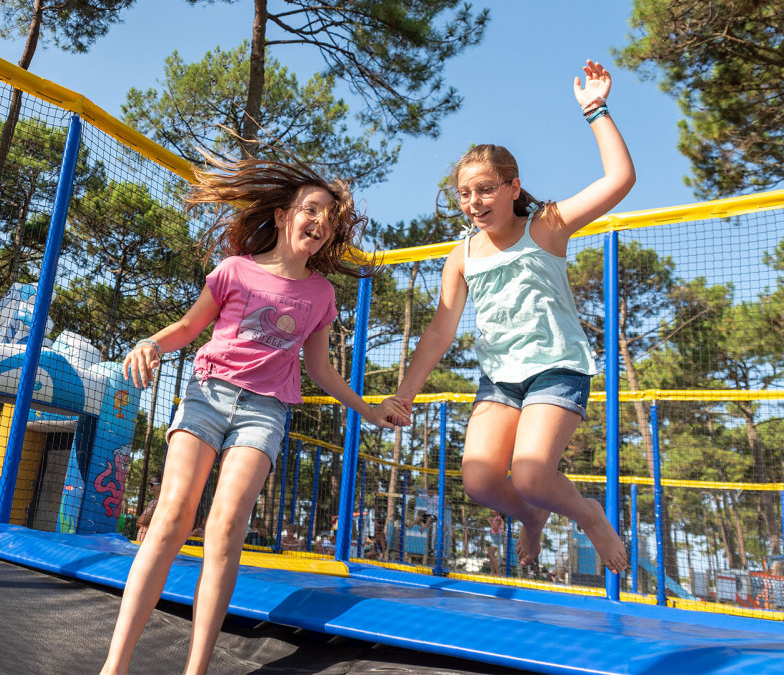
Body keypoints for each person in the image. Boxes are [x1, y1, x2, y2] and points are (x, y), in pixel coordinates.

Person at [100, 155, 405, 675]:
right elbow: (189, 327)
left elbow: (323, 371)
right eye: (312, 210)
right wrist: (150, 342)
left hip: (264, 412)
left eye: (330, 218)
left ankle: (196, 670)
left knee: (225, 528)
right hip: (207, 394)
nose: (321, 222)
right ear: (286, 215)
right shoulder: (233, 270)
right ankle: (116, 665)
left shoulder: (320, 294)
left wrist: (369, 409)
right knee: (173, 517)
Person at [389, 60, 633, 576]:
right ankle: (533, 517)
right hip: (500, 378)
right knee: (479, 482)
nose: (474, 201)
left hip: (555, 367)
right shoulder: (461, 255)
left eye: (485, 188)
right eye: (465, 193)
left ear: (512, 186)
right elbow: (440, 331)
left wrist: (596, 109)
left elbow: (620, 178)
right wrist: (405, 394)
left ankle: (588, 514)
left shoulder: (546, 226)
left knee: (531, 473)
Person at [134, 478, 160, 542]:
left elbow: (141, 522)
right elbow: (138, 523)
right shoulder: (152, 502)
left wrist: (142, 520)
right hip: (142, 540)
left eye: (151, 484)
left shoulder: (159, 502)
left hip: (149, 541)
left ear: (160, 485)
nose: (149, 486)